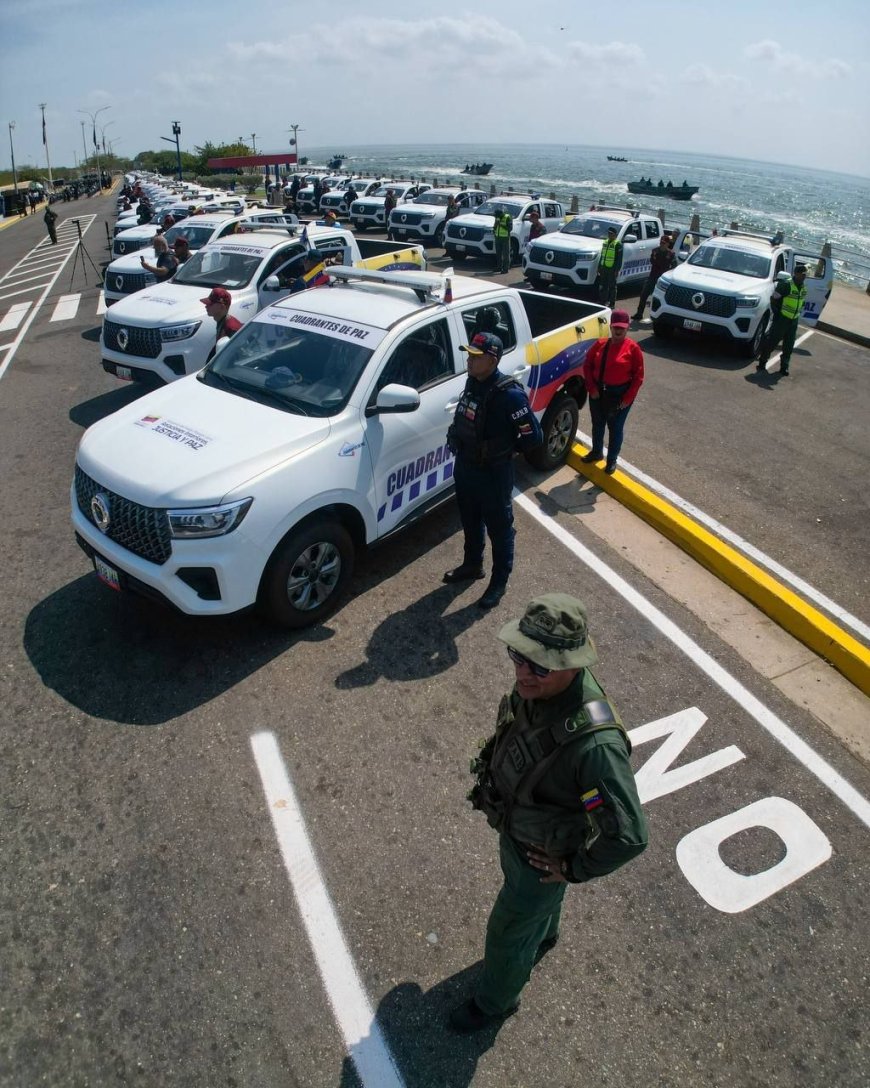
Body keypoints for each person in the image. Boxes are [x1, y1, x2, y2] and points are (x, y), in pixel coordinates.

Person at [449, 593, 648, 1033]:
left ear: (573, 665)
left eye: (539, 665)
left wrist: (573, 868)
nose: (523, 672)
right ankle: (546, 931)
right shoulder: (538, 688)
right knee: (533, 911)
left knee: (507, 932)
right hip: (521, 831)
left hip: (541, 857)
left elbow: (630, 836)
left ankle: (494, 1003)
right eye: (519, 655)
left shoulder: (595, 745)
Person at [444, 332, 542, 610]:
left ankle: (498, 583)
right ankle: (472, 565)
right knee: (470, 520)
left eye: (475, 357)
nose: (469, 361)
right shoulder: (473, 382)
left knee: (500, 531)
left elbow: (533, 438)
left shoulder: (510, 395)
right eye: (470, 355)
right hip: (466, 467)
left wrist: (504, 452)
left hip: (493, 475)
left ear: (492, 359)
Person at [580, 309, 644, 474]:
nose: (618, 330)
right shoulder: (600, 344)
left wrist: (627, 399)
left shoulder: (633, 349)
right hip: (599, 392)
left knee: (615, 428)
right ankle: (596, 452)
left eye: (622, 327)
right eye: (616, 326)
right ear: (611, 326)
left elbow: (638, 377)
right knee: (598, 424)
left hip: (619, 395)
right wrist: (592, 388)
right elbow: (587, 366)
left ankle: (612, 460)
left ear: (627, 328)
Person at [756, 263, 808, 376]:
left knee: (789, 345)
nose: (805, 276)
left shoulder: (803, 287)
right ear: (796, 274)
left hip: (793, 321)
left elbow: (801, 303)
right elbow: (774, 299)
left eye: (805, 275)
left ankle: (784, 367)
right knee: (772, 342)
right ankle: (762, 362)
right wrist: (777, 314)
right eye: (803, 274)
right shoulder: (786, 285)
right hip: (782, 319)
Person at [633, 233, 676, 320]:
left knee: (661, 297)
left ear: (668, 244)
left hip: (663, 279)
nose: (661, 244)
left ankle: (660, 316)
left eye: (664, 243)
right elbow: (652, 261)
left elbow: (674, 266)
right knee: (644, 294)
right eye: (661, 242)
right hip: (653, 276)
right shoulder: (655, 251)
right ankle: (639, 313)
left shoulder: (671, 254)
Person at [202, 287, 243, 362]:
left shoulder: (231, 328)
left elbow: (235, 358)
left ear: (222, 306)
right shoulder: (222, 321)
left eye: (210, 304)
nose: (206, 306)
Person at [596, 226, 623, 309]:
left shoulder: (618, 244)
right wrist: (599, 266)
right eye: (608, 233)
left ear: (615, 235)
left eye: (611, 234)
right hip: (604, 267)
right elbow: (602, 255)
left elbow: (619, 259)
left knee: (612, 286)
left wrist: (617, 270)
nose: (609, 235)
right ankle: (602, 301)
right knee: (603, 285)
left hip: (612, 268)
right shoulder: (605, 242)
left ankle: (612, 303)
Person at [493, 207, 513, 274]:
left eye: (497, 216)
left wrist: (500, 224)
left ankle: (505, 269)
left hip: (505, 238)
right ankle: (499, 267)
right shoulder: (497, 218)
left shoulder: (507, 217)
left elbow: (510, 228)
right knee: (498, 254)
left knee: (505, 255)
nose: (496, 217)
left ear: (501, 214)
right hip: (497, 238)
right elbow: (495, 226)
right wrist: (494, 230)